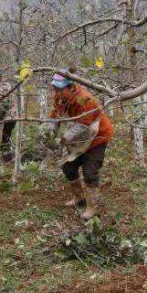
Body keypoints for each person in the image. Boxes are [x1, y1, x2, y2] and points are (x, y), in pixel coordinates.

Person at [49, 73, 113, 219]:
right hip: (79, 139)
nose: (57, 93)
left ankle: (93, 207)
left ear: (70, 87)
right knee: (68, 166)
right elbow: (55, 117)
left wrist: (63, 139)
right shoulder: (59, 98)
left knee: (90, 172)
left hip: (97, 136)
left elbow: (84, 125)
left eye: (60, 90)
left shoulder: (85, 100)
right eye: (55, 90)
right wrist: (49, 133)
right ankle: (79, 198)